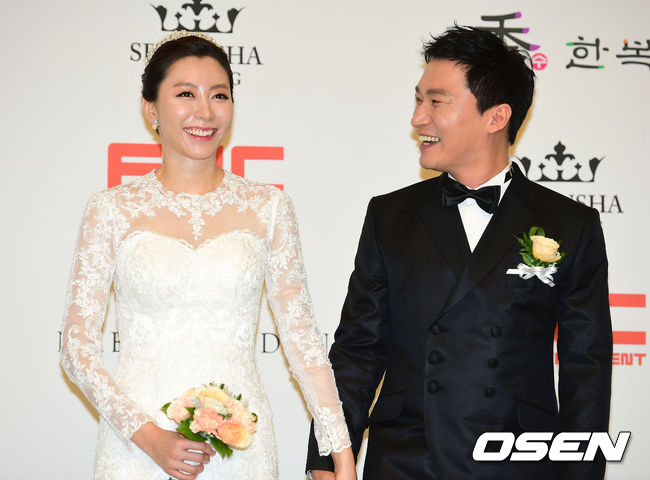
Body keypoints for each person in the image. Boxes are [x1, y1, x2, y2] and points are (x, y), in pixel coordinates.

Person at [306, 25, 612, 480]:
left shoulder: (570, 224)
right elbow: (358, 351)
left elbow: (585, 370)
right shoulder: (390, 216)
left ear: (496, 117)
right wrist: (327, 458)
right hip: (407, 462)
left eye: (437, 102)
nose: (418, 118)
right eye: (418, 100)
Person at [60, 31, 356, 480]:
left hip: (242, 448)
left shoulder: (269, 206)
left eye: (219, 95)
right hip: (137, 448)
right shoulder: (111, 209)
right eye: (185, 94)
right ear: (150, 108)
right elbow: (76, 348)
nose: (205, 111)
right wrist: (147, 435)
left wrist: (341, 451)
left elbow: (303, 342)